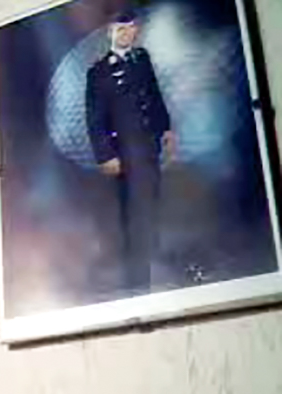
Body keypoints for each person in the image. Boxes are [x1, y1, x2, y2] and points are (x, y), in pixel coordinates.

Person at [86, 10, 175, 293]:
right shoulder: (99, 72)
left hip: (148, 146)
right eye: (121, 29)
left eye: (131, 28)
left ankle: (149, 258)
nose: (127, 33)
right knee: (132, 210)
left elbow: (154, 94)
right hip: (124, 152)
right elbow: (95, 119)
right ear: (110, 33)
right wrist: (105, 155)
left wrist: (166, 129)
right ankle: (137, 278)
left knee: (151, 201)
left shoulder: (141, 59)